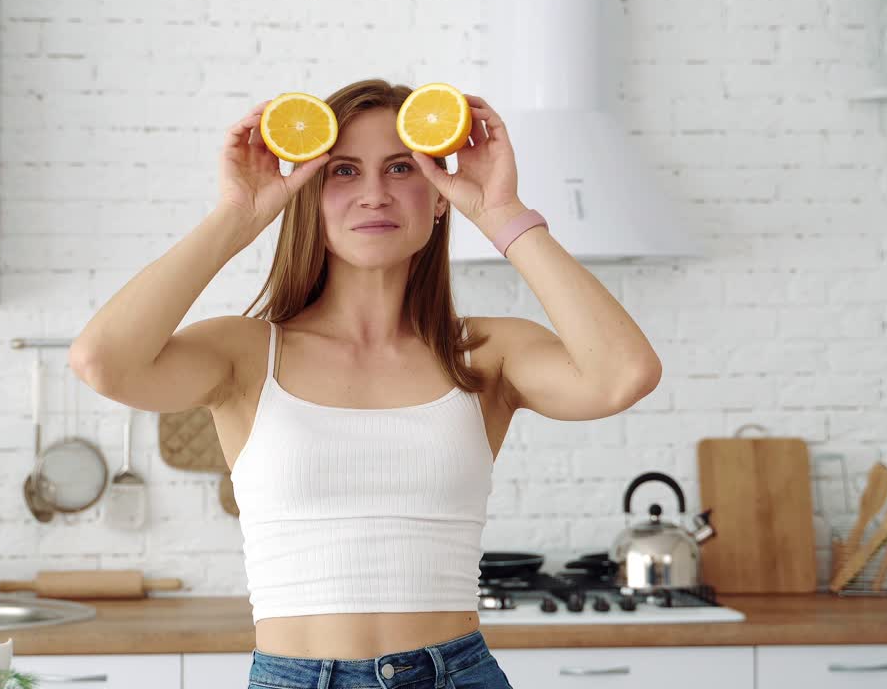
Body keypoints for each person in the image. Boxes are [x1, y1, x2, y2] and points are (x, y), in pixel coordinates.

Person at [70, 78, 662, 688]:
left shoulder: (485, 353)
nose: (374, 194)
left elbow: (625, 376)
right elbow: (103, 362)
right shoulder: (246, 353)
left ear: (437, 195)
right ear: (307, 194)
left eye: (401, 168)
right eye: (344, 171)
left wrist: (501, 213)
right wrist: (238, 217)